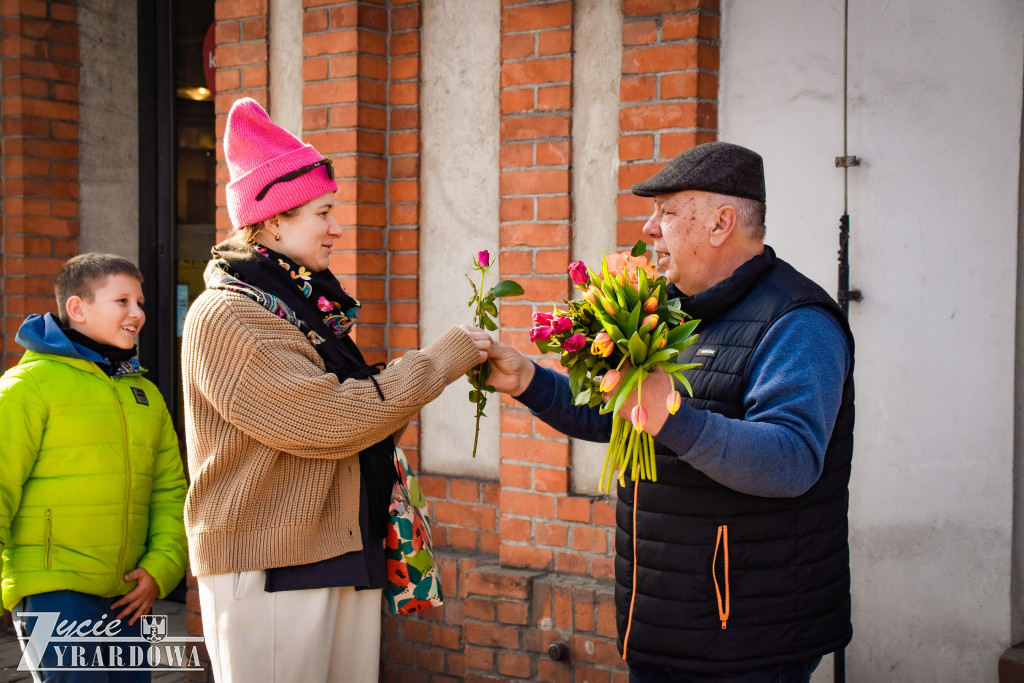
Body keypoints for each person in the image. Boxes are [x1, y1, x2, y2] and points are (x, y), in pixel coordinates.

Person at [486, 142, 855, 682]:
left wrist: (674, 417)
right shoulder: (673, 308)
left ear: (721, 223)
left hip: (745, 639)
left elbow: (792, 462)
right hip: (662, 623)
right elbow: (627, 416)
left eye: (666, 212)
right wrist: (526, 379)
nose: (649, 229)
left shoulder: (798, 323)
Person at [180, 97, 489, 683]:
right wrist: (438, 362)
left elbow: (367, 420)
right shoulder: (228, 315)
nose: (337, 227)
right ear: (273, 221)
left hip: (335, 550)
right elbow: (330, 421)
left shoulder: (301, 307)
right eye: (323, 212)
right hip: (274, 566)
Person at [0, 253, 189, 682]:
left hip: (129, 594)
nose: (137, 314)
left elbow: (169, 491)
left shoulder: (146, 393)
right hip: (53, 590)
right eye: (121, 301)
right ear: (77, 308)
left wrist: (161, 569)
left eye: (139, 302)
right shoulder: (27, 387)